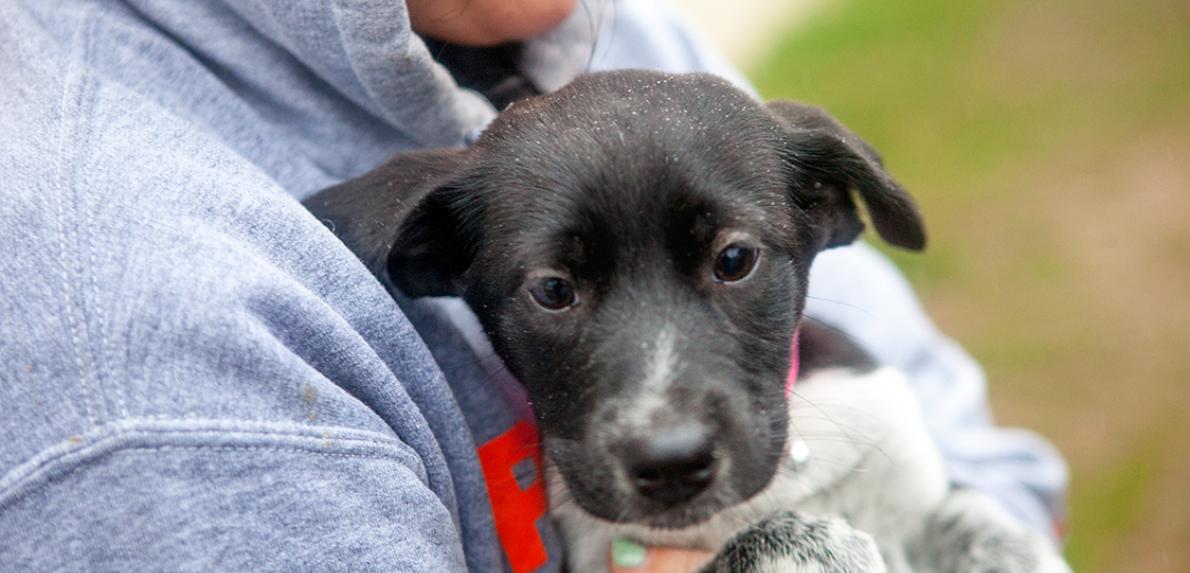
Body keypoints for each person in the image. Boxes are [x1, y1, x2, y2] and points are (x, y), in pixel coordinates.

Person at [0, 1, 1066, 571]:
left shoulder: (590, 37)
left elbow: (988, 464)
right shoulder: (134, 353)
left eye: (730, 262)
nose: (663, 429)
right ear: (426, 263)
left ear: (826, 214)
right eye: (557, 290)